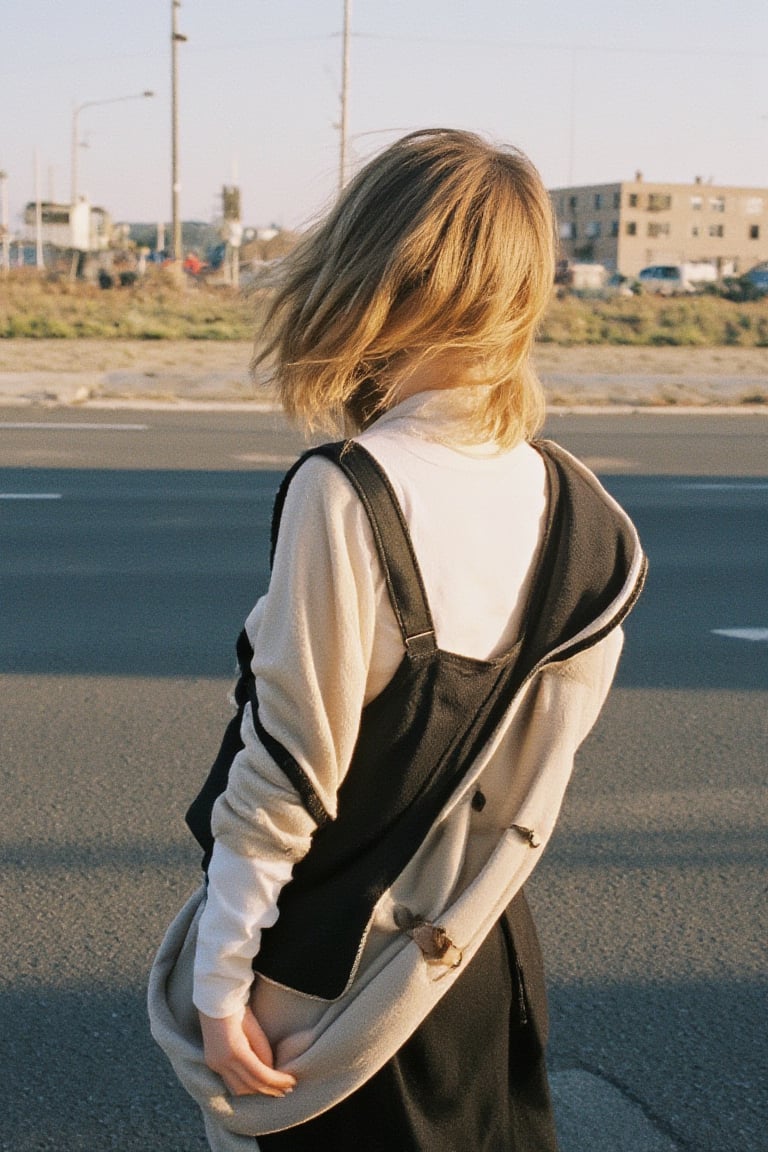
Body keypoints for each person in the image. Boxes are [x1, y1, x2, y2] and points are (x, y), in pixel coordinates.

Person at [149, 128, 646, 1152]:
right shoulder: (588, 513)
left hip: (329, 977)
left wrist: (220, 976)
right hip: (483, 967)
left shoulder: (348, 492)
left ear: (381, 273)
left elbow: (286, 773)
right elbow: (523, 782)